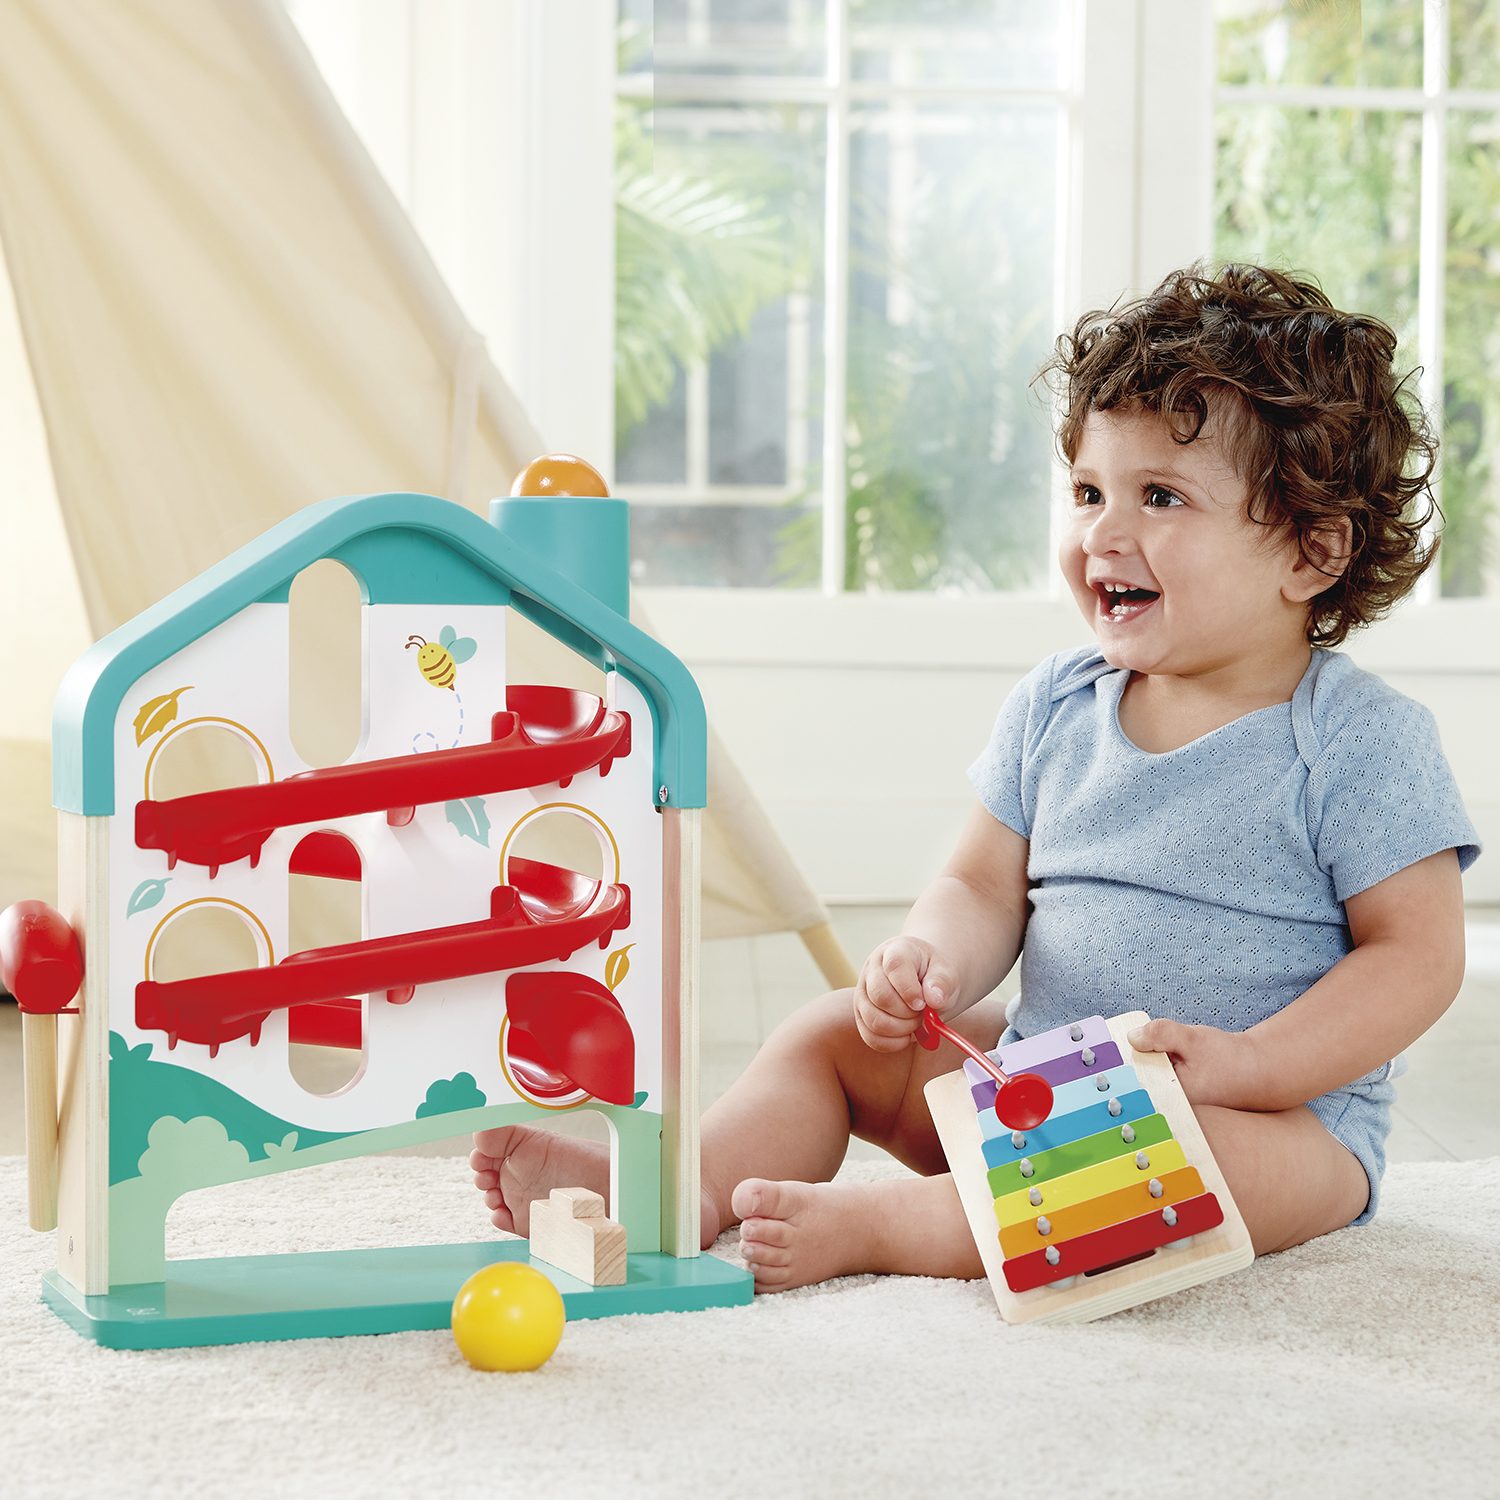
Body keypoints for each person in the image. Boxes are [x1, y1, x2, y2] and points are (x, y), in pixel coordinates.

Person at [472, 264, 1481, 1292]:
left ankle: (895, 1228)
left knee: (1179, 1160)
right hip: (1034, 1078)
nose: (1102, 534)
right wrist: (932, 959)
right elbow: (981, 886)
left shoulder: (1355, 741)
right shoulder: (1059, 706)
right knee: (830, 1034)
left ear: (1312, 552)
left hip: (1269, 1123)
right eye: (1088, 492)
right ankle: (684, 1186)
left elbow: (1417, 957)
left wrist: (1256, 1065)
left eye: (1160, 497)